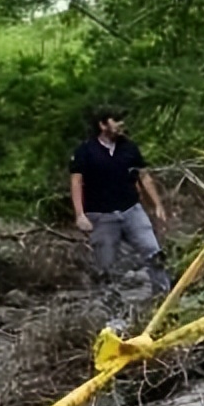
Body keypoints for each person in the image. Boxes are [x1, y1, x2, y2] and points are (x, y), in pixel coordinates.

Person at [70, 107, 172, 298]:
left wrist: (157, 205)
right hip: (101, 216)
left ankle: (165, 298)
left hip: (132, 210)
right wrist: (80, 215)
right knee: (105, 267)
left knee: (154, 252)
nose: (121, 124)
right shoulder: (85, 151)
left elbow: (144, 176)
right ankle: (111, 310)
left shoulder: (129, 148)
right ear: (102, 125)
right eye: (115, 120)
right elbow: (76, 181)